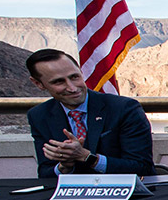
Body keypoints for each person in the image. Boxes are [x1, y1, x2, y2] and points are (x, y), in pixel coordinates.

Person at [25, 48, 154, 178]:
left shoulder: (124, 109)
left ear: (81, 72)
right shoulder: (39, 116)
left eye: (74, 77)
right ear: (38, 84)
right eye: (58, 81)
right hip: (72, 195)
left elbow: (142, 168)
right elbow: (45, 173)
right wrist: (64, 167)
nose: (72, 88)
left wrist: (88, 157)